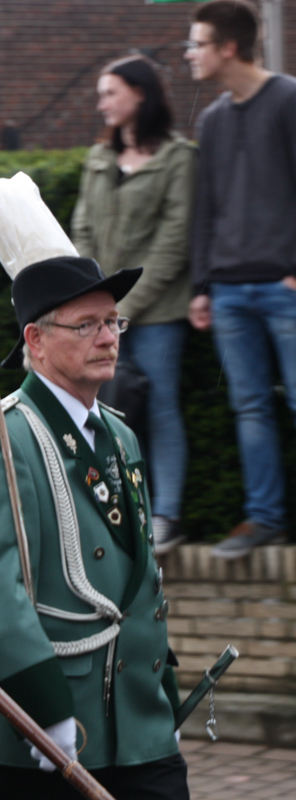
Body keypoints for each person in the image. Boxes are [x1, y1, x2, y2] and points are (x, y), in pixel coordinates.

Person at [0, 173, 187, 799]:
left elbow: (141, 582)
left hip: (139, 726)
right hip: (48, 728)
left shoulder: (120, 434)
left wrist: (161, 695)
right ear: (35, 339)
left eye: (113, 322)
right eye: (86, 325)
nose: (108, 337)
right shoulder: (0, 438)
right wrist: (43, 709)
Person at [72, 54, 196, 555]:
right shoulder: (98, 160)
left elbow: (173, 243)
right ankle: (119, 515)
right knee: (103, 414)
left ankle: (166, 515)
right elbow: (81, 228)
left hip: (159, 312)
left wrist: (124, 310)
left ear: (140, 94)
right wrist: (95, 302)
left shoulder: (177, 157)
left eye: (110, 93)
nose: (102, 102)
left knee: (161, 410)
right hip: (107, 313)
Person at [186, 0, 296, 559]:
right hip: (229, 290)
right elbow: (206, 209)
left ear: (228, 47)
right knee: (249, 407)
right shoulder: (212, 120)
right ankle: (264, 519)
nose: (190, 54)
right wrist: (202, 287)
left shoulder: (288, 99)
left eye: (197, 44)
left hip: (284, 287)